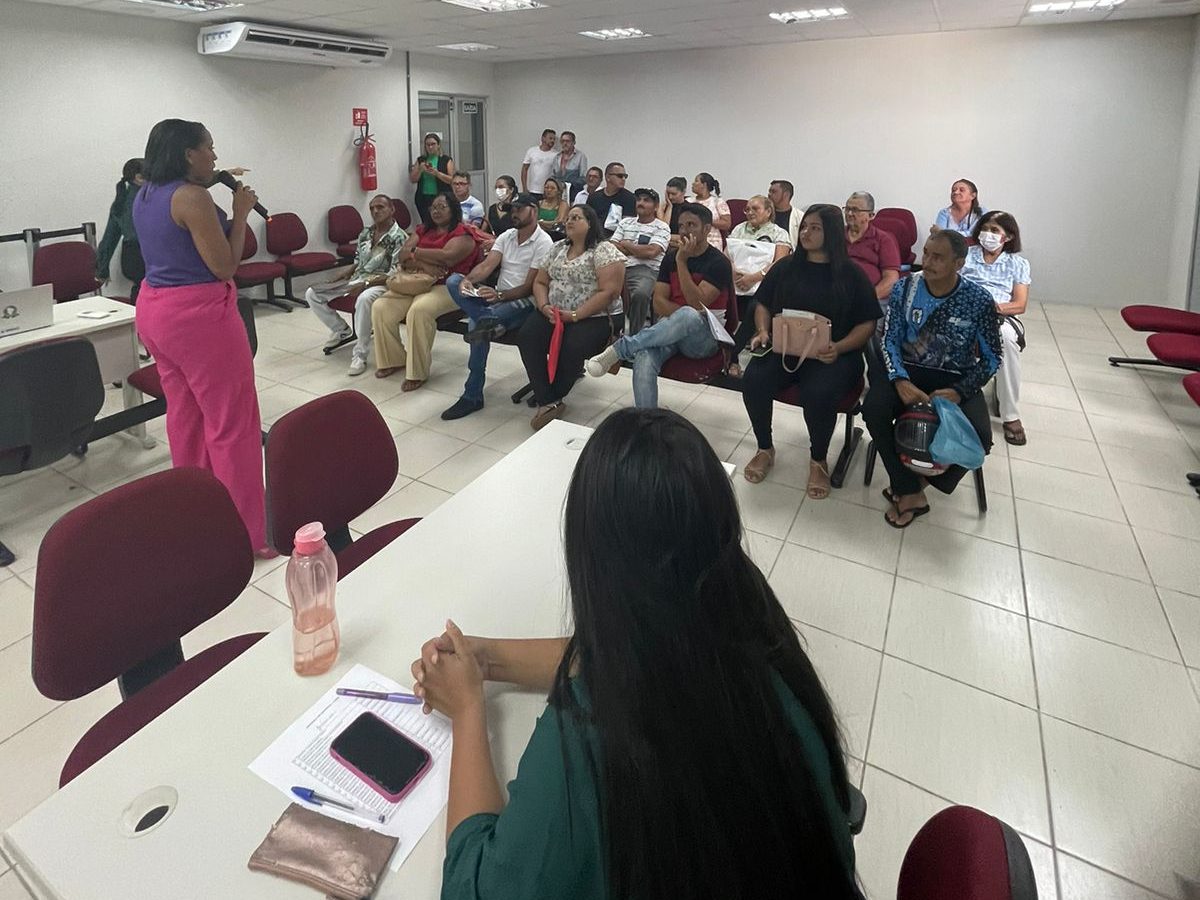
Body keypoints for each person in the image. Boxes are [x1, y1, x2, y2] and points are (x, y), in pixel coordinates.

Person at [409, 407, 859, 900]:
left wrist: (468, 710)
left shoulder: (591, 741)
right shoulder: (747, 614)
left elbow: (474, 889)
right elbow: (621, 654)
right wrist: (486, 659)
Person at [131, 118, 269, 555]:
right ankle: (248, 532)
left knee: (186, 415)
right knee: (232, 422)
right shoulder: (193, 197)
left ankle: (197, 512)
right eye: (208, 147)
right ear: (188, 154)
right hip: (199, 319)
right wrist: (241, 213)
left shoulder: (145, 193)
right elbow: (225, 265)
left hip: (155, 311)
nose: (214, 155)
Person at [863, 229, 1001, 528]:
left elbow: (993, 358)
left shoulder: (978, 300)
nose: (927, 262)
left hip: (955, 377)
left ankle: (920, 484)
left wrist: (960, 390)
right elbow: (889, 340)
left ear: (958, 264)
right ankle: (906, 486)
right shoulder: (905, 288)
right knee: (873, 409)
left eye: (938, 257)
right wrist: (899, 380)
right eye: (926, 253)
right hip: (908, 371)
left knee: (981, 437)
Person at [740, 204, 879, 497]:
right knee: (754, 378)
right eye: (804, 226)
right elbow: (762, 303)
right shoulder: (785, 268)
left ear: (832, 233)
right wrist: (763, 330)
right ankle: (765, 448)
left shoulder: (851, 274)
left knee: (818, 393)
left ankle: (818, 460)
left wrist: (839, 347)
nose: (806, 233)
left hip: (833, 354)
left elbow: (867, 324)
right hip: (786, 348)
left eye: (815, 228)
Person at [586, 203, 731, 408]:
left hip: (705, 338)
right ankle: (646, 418)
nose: (684, 231)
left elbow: (696, 303)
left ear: (707, 229)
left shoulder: (718, 263)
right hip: (669, 332)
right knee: (644, 355)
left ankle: (621, 349)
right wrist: (678, 320)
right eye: (681, 226)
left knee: (689, 315)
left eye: (691, 225)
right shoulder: (670, 258)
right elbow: (658, 303)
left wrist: (682, 262)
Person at [440, 194, 554, 421]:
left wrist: (499, 295)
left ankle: (472, 395)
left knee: (476, 326)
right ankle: (488, 318)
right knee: (454, 281)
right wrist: (469, 281)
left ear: (533, 210)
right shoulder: (507, 236)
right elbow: (487, 266)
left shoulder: (544, 242)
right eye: (513, 209)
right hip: (498, 299)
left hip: (525, 302)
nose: (514, 213)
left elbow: (530, 287)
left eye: (519, 209)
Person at [517, 204, 624, 430]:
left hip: (595, 316)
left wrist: (575, 315)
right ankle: (548, 399)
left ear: (590, 223)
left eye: (576, 218)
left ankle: (551, 396)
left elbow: (609, 292)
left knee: (572, 344)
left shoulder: (603, 250)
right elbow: (540, 282)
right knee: (528, 336)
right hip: (554, 312)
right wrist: (544, 306)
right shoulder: (557, 248)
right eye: (568, 218)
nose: (569, 222)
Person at [370, 193, 476, 390]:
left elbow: (447, 257)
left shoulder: (463, 234)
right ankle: (394, 360)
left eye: (442, 207)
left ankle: (417, 372)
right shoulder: (422, 230)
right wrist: (423, 264)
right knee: (380, 307)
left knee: (419, 311)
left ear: (453, 209)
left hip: (449, 286)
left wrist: (415, 252)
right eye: (433, 207)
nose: (436, 211)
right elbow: (402, 255)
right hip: (416, 281)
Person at [305, 194, 406, 376]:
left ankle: (360, 354)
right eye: (372, 208)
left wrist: (366, 283)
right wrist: (345, 273)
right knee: (312, 293)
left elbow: (394, 273)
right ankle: (341, 330)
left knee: (364, 299)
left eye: (380, 207)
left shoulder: (399, 237)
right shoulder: (365, 233)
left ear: (392, 210)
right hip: (358, 278)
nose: (375, 211)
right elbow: (358, 261)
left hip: (382, 282)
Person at [963, 210, 1031, 446]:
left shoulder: (1017, 264)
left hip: (999, 315)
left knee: (1006, 341)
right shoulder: (965, 255)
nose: (987, 234)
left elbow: (1020, 304)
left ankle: (1010, 415)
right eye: (984, 229)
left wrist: (993, 308)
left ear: (1008, 237)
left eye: (994, 230)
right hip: (964, 312)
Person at [726, 194, 794, 366]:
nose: (750, 212)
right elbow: (727, 254)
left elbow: (779, 263)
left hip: (763, 284)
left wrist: (753, 278)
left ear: (768, 211)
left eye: (755, 208)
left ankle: (732, 355)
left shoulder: (779, 233)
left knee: (756, 304)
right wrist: (733, 271)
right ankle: (726, 352)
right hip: (735, 282)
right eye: (747, 209)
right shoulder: (739, 229)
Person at [608, 187, 670, 334]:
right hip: (618, 267)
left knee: (640, 293)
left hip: (646, 270)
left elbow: (651, 252)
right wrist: (638, 250)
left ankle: (634, 335)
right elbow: (611, 246)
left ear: (656, 207)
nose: (641, 203)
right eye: (639, 200)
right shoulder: (625, 223)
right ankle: (610, 333)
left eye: (646, 200)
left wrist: (627, 244)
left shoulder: (662, 227)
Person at [96, 158, 146, 303]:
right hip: (145, 255)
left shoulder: (121, 200)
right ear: (139, 178)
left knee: (139, 291)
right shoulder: (147, 199)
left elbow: (110, 237)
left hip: (130, 256)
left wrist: (102, 269)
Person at [844, 191, 901, 302]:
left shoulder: (883, 239)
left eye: (855, 210)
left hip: (871, 298)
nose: (849, 214)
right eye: (847, 209)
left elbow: (891, 279)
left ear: (871, 215)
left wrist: (868, 299)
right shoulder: (836, 235)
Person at [409, 132, 455, 228]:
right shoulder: (421, 160)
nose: (430, 147)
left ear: (438, 145)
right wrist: (420, 170)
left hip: (441, 197)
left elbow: (452, 180)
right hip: (423, 198)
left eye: (433, 144)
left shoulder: (446, 160)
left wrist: (437, 173)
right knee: (427, 223)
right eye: (428, 145)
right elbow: (413, 179)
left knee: (440, 223)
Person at [584, 162, 637, 235]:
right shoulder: (594, 197)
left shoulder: (629, 198)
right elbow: (587, 220)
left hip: (616, 237)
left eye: (625, 176)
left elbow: (628, 227)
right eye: (620, 176)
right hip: (594, 236)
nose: (623, 179)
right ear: (608, 177)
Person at [692, 172, 731, 249]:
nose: (693, 184)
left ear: (704, 185)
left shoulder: (717, 202)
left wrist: (706, 220)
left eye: (696, 181)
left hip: (712, 241)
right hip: (692, 240)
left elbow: (727, 224)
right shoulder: (689, 201)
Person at [552, 130, 589, 200]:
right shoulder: (557, 157)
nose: (565, 143)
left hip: (574, 193)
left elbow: (583, 178)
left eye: (567, 141)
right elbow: (553, 176)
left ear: (574, 142)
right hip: (558, 194)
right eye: (562, 141)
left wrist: (567, 185)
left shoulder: (581, 156)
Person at [521, 128, 558, 198]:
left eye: (554, 139)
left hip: (547, 191)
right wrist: (524, 187)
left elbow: (557, 173)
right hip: (532, 190)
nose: (552, 141)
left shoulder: (556, 155)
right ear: (543, 138)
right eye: (550, 138)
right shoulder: (532, 151)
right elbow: (524, 169)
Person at [768, 179, 804, 246]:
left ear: (786, 194)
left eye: (773, 192)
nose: (769, 195)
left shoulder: (800, 217)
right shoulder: (763, 214)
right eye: (769, 192)